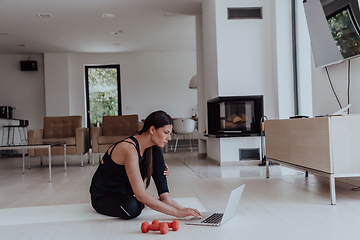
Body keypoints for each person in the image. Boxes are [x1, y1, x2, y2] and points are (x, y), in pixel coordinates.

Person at [90, 110, 201, 220]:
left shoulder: (152, 146)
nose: (169, 138)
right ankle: (145, 203)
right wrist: (177, 212)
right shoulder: (129, 149)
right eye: (166, 132)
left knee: (156, 148)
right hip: (104, 196)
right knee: (133, 208)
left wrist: (185, 210)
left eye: (170, 134)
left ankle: (165, 198)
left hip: (126, 190)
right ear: (152, 129)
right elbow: (141, 195)